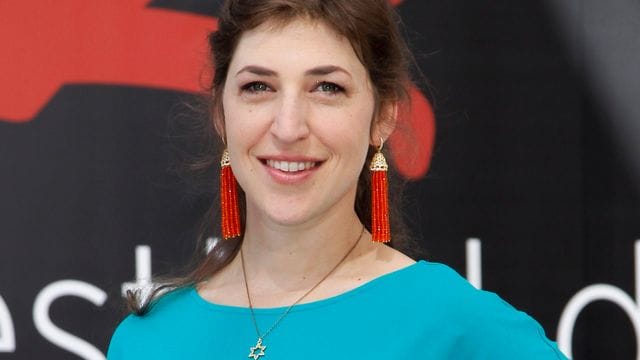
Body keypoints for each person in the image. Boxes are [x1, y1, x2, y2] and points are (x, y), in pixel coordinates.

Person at [107, 0, 568, 359]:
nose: (288, 127)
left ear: (382, 117)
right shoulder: (147, 342)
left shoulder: (455, 327)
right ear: (221, 114)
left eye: (327, 88)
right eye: (258, 87)